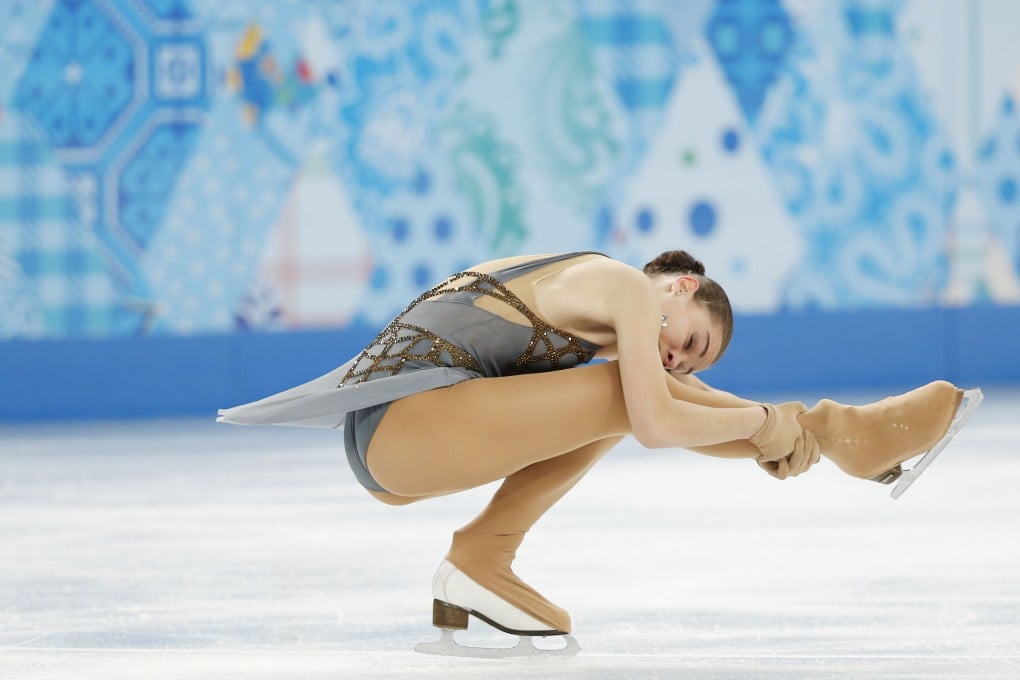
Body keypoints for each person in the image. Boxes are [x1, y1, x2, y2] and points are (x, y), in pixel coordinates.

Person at [218, 250, 979, 655]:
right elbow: (651, 418)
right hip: (402, 424)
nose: (678, 358)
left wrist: (764, 433)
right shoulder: (624, 287)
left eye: (689, 361)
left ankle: (482, 557)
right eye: (689, 340)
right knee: (629, 397)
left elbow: (650, 406)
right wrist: (767, 428)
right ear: (681, 287)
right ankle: (846, 434)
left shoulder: (606, 320)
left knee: (621, 398)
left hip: (402, 437)